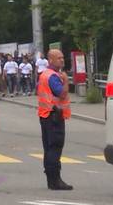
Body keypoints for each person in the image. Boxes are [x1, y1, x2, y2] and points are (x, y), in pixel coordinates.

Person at [37, 49, 73, 191]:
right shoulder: (53, 76)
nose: (62, 60)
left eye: (63, 57)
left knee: (49, 148)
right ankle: (55, 179)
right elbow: (62, 94)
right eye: (59, 58)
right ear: (50, 60)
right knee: (55, 148)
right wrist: (65, 80)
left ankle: (51, 179)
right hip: (54, 116)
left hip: (46, 115)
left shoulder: (45, 75)